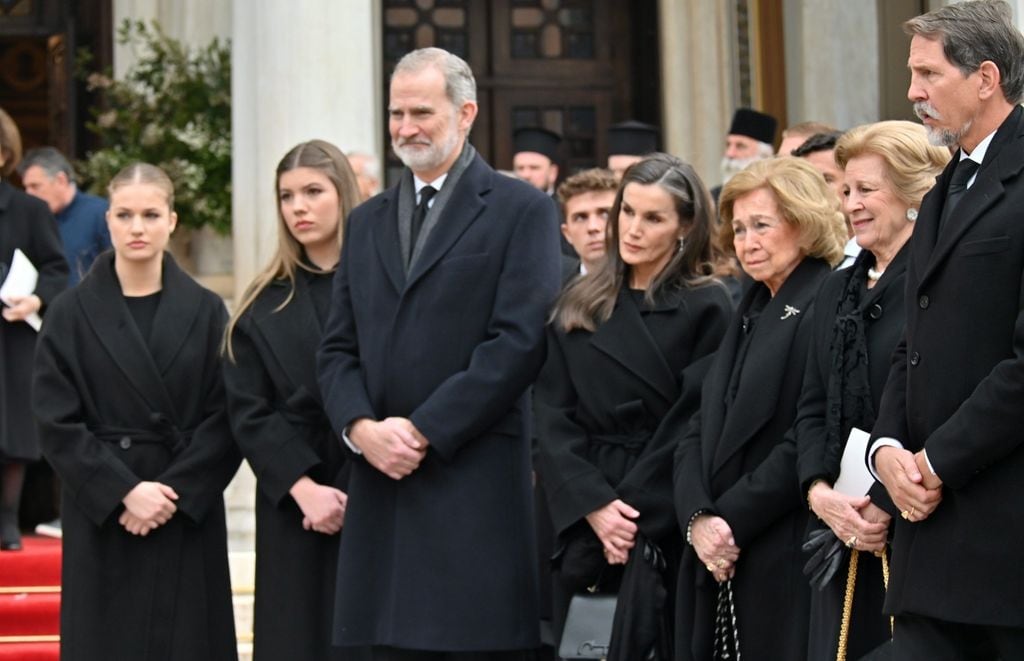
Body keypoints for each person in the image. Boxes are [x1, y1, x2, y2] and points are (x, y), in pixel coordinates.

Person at [316, 47, 561, 660]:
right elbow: (337, 346)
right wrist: (360, 428)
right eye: (396, 113)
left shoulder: (521, 209)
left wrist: (423, 431)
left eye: (421, 112)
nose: (405, 128)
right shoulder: (366, 221)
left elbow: (518, 342)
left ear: (466, 112)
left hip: (469, 483)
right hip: (380, 489)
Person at [32, 163, 240, 660]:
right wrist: (123, 491)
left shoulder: (209, 310)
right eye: (125, 215)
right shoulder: (67, 313)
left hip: (183, 510)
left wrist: (172, 495)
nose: (138, 227)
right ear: (108, 221)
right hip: (104, 514)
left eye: (150, 214)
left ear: (172, 219)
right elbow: (55, 421)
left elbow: (229, 415)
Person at [868, 2, 1024, 657]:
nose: (913, 93)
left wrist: (933, 463)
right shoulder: (942, 189)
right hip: (930, 544)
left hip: (1006, 540)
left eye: (928, 74)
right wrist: (885, 452)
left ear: (985, 77)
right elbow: (915, 342)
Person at [536, 153, 732, 659]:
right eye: (627, 212)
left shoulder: (709, 305)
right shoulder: (577, 299)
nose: (632, 229)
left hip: (664, 514)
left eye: (653, 218)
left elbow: (694, 418)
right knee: (584, 647)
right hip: (586, 513)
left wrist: (629, 511)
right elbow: (550, 415)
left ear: (685, 227)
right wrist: (594, 505)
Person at [673, 157, 846, 661]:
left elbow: (810, 430)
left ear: (806, 221)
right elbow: (701, 422)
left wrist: (730, 521)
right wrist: (697, 517)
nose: (747, 240)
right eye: (740, 227)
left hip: (779, 540)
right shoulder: (749, 303)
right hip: (718, 540)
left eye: (762, 225)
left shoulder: (827, 299)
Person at [794, 121, 949, 660]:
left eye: (866, 190)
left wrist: (882, 501)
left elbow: (938, 401)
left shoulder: (937, 280)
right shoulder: (835, 286)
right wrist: (819, 494)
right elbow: (811, 401)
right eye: (845, 191)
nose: (850, 204)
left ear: (912, 195)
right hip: (837, 528)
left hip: (912, 527)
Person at [223, 140, 364, 661]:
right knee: (296, 637)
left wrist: (358, 483)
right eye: (286, 196)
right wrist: (304, 489)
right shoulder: (263, 302)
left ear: (342, 194)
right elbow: (248, 411)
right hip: (295, 504)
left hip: (375, 491)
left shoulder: (383, 289)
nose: (298, 207)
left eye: (312, 191)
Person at [0, 108, 69, 551]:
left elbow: (57, 269)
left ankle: (7, 520)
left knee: (10, 431)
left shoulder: (28, 209)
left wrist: (36, 298)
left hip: (11, 336)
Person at [18, 146, 112, 286]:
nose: (29, 194)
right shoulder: (30, 221)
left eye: (35, 186)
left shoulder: (101, 213)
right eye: (26, 188)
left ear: (61, 180)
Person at [790, 131, 860, 268]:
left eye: (826, 179)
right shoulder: (791, 261)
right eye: (806, 182)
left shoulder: (879, 259)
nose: (813, 189)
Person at [555, 167, 618, 280]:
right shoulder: (553, 291)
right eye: (580, 218)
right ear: (567, 233)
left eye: (605, 214)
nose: (593, 227)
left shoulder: (649, 288)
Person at [712, 108, 778, 201]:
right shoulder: (712, 199)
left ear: (764, 155)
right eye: (728, 145)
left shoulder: (777, 197)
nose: (730, 154)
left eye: (740, 146)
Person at [513, 126, 561, 194]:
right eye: (520, 168)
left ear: (552, 173)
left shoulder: (564, 204)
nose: (526, 175)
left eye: (534, 168)